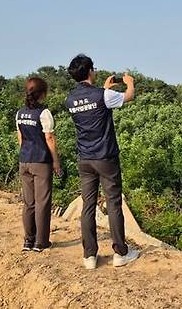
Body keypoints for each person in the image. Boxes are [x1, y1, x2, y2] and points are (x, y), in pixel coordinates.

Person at [65, 54, 139, 269]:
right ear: (89, 71)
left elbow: (92, 103)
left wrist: (106, 88)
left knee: (88, 205)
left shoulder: (69, 100)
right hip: (106, 157)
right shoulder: (103, 96)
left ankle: (89, 256)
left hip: (85, 159)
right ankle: (120, 253)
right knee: (113, 203)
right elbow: (128, 97)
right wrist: (130, 83)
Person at [16, 76, 63, 252]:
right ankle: (41, 242)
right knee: (42, 202)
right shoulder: (44, 113)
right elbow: (49, 138)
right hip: (41, 161)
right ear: (43, 93)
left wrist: (26, 155)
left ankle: (28, 240)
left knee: (29, 202)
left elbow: (20, 138)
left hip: (24, 160)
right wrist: (56, 162)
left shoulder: (20, 113)